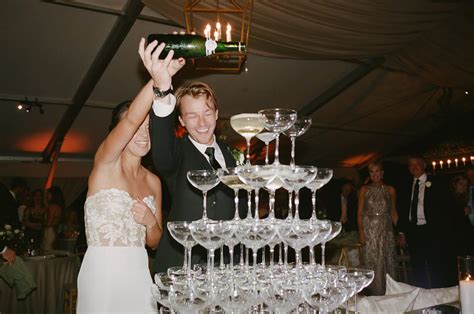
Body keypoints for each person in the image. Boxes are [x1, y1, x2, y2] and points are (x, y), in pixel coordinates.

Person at [77, 38, 168, 312]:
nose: (142, 132)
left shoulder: (154, 181)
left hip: (139, 277)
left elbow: (155, 241)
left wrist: (151, 222)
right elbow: (131, 120)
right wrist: (156, 81)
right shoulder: (105, 164)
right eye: (137, 126)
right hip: (102, 277)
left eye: (148, 126)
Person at [150, 47, 240, 273]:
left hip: (225, 267)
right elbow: (160, 140)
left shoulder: (231, 154)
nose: (201, 123)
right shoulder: (175, 153)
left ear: (217, 114)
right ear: (181, 120)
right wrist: (162, 89)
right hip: (183, 266)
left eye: (207, 113)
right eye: (192, 115)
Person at [397, 155, 454, 288]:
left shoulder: (437, 183)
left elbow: (446, 208)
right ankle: (422, 295)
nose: (414, 167)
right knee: (417, 267)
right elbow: (402, 210)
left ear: (424, 165)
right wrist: (401, 232)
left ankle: (438, 296)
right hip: (414, 231)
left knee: (436, 266)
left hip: (432, 231)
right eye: (411, 165)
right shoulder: (405, 185)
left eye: (417, 164)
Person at [357, 161, 398, 295]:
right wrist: (361, 232)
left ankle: (389, 291)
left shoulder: (390, 190)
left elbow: (393, 212)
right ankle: (373, 291)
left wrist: (400, 232)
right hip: (370, 229)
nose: (375, 174)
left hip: (386, 228)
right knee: (372, 259)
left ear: (382, 172)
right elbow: (360, 213)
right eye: (371, 172)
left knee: (387, 258)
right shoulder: (364, 189)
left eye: (377, 171)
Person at [449, 175, 473, 256]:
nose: (463, 186)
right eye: (460, 184)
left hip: (464, 235)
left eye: (465, 185)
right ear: (455, 185)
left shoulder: (462, 198)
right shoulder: (450, 198)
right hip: (455, 236)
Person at [42, 186, 65, 253]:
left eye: (48, 194)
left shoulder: (52, 206)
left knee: (47, 250)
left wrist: (40, 224)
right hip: (55, 230)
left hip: (50, 231)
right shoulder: (59, 206)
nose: (47, 196)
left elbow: (49, 223)